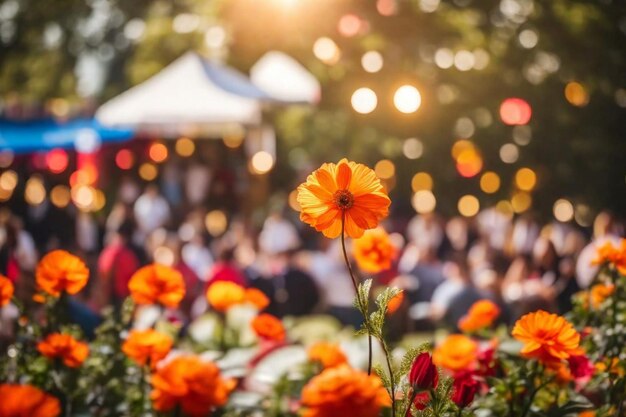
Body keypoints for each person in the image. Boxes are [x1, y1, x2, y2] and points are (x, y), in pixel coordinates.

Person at [94, 221, 140, 310]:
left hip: (112, 295)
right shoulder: (129, 255)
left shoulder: (110, 252)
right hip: (120, 296)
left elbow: (103, 274)